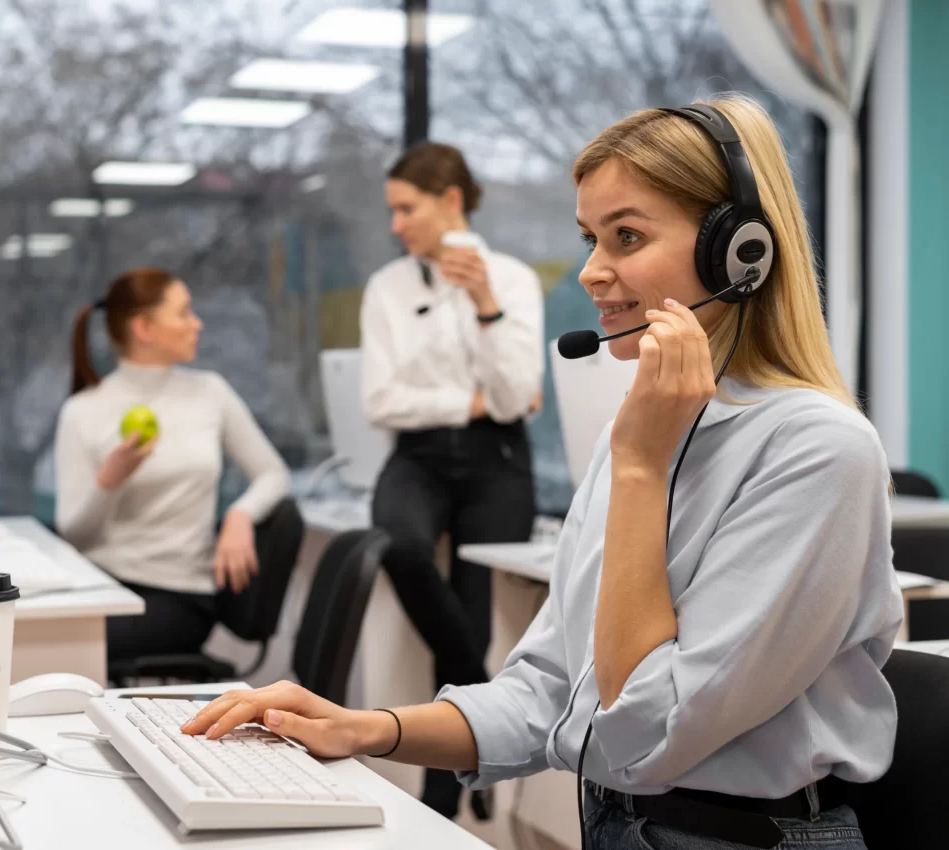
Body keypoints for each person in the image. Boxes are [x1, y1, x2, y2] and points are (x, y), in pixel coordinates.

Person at [182, 97, 903, 850]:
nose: (591, 272)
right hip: (625, 825)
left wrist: (638, 472)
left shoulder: (815, 452)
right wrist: (364, 727)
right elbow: (547, 693)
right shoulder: (645, 436)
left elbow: (643, 734)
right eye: (590, 238)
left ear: (739, 253)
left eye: (626, 236)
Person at [360, 142, 544, 817]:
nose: (396, 224)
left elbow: (516, 393)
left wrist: (485, 303)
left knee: (471, 606)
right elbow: (381, 402)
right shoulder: (388, 288)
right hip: (417, 457)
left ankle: (441, 797)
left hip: (497, 462)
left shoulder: (513, 280)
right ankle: (479, 707)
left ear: (451, 202)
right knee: (398, 543)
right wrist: (463, 402)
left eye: (406, 208)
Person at [55, 267, 299, 667]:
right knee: (33, 636)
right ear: (145, 329)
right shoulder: (82, 410)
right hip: (101, 586)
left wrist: (240, 515)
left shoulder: (210, 392)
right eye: (184, 313)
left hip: (180, 597)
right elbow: (76, 536)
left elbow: (274, 474)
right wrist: (109, 481)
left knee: (58, 649)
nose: (197, 323)